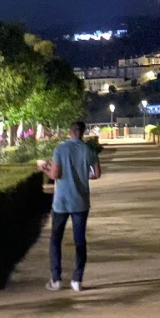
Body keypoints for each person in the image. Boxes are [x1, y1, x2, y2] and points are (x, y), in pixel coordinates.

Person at [38, 121, 101, 292]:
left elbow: (56, 174)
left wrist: (44, 168)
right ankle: (77, 280)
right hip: (80, 202)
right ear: (83, 133)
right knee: (80, 241)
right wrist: (82, 175)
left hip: (62, 202)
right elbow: (96, 174)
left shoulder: (60, 149)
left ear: (69, 132)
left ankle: (56, 279)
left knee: (55, 240)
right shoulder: (89, 150)